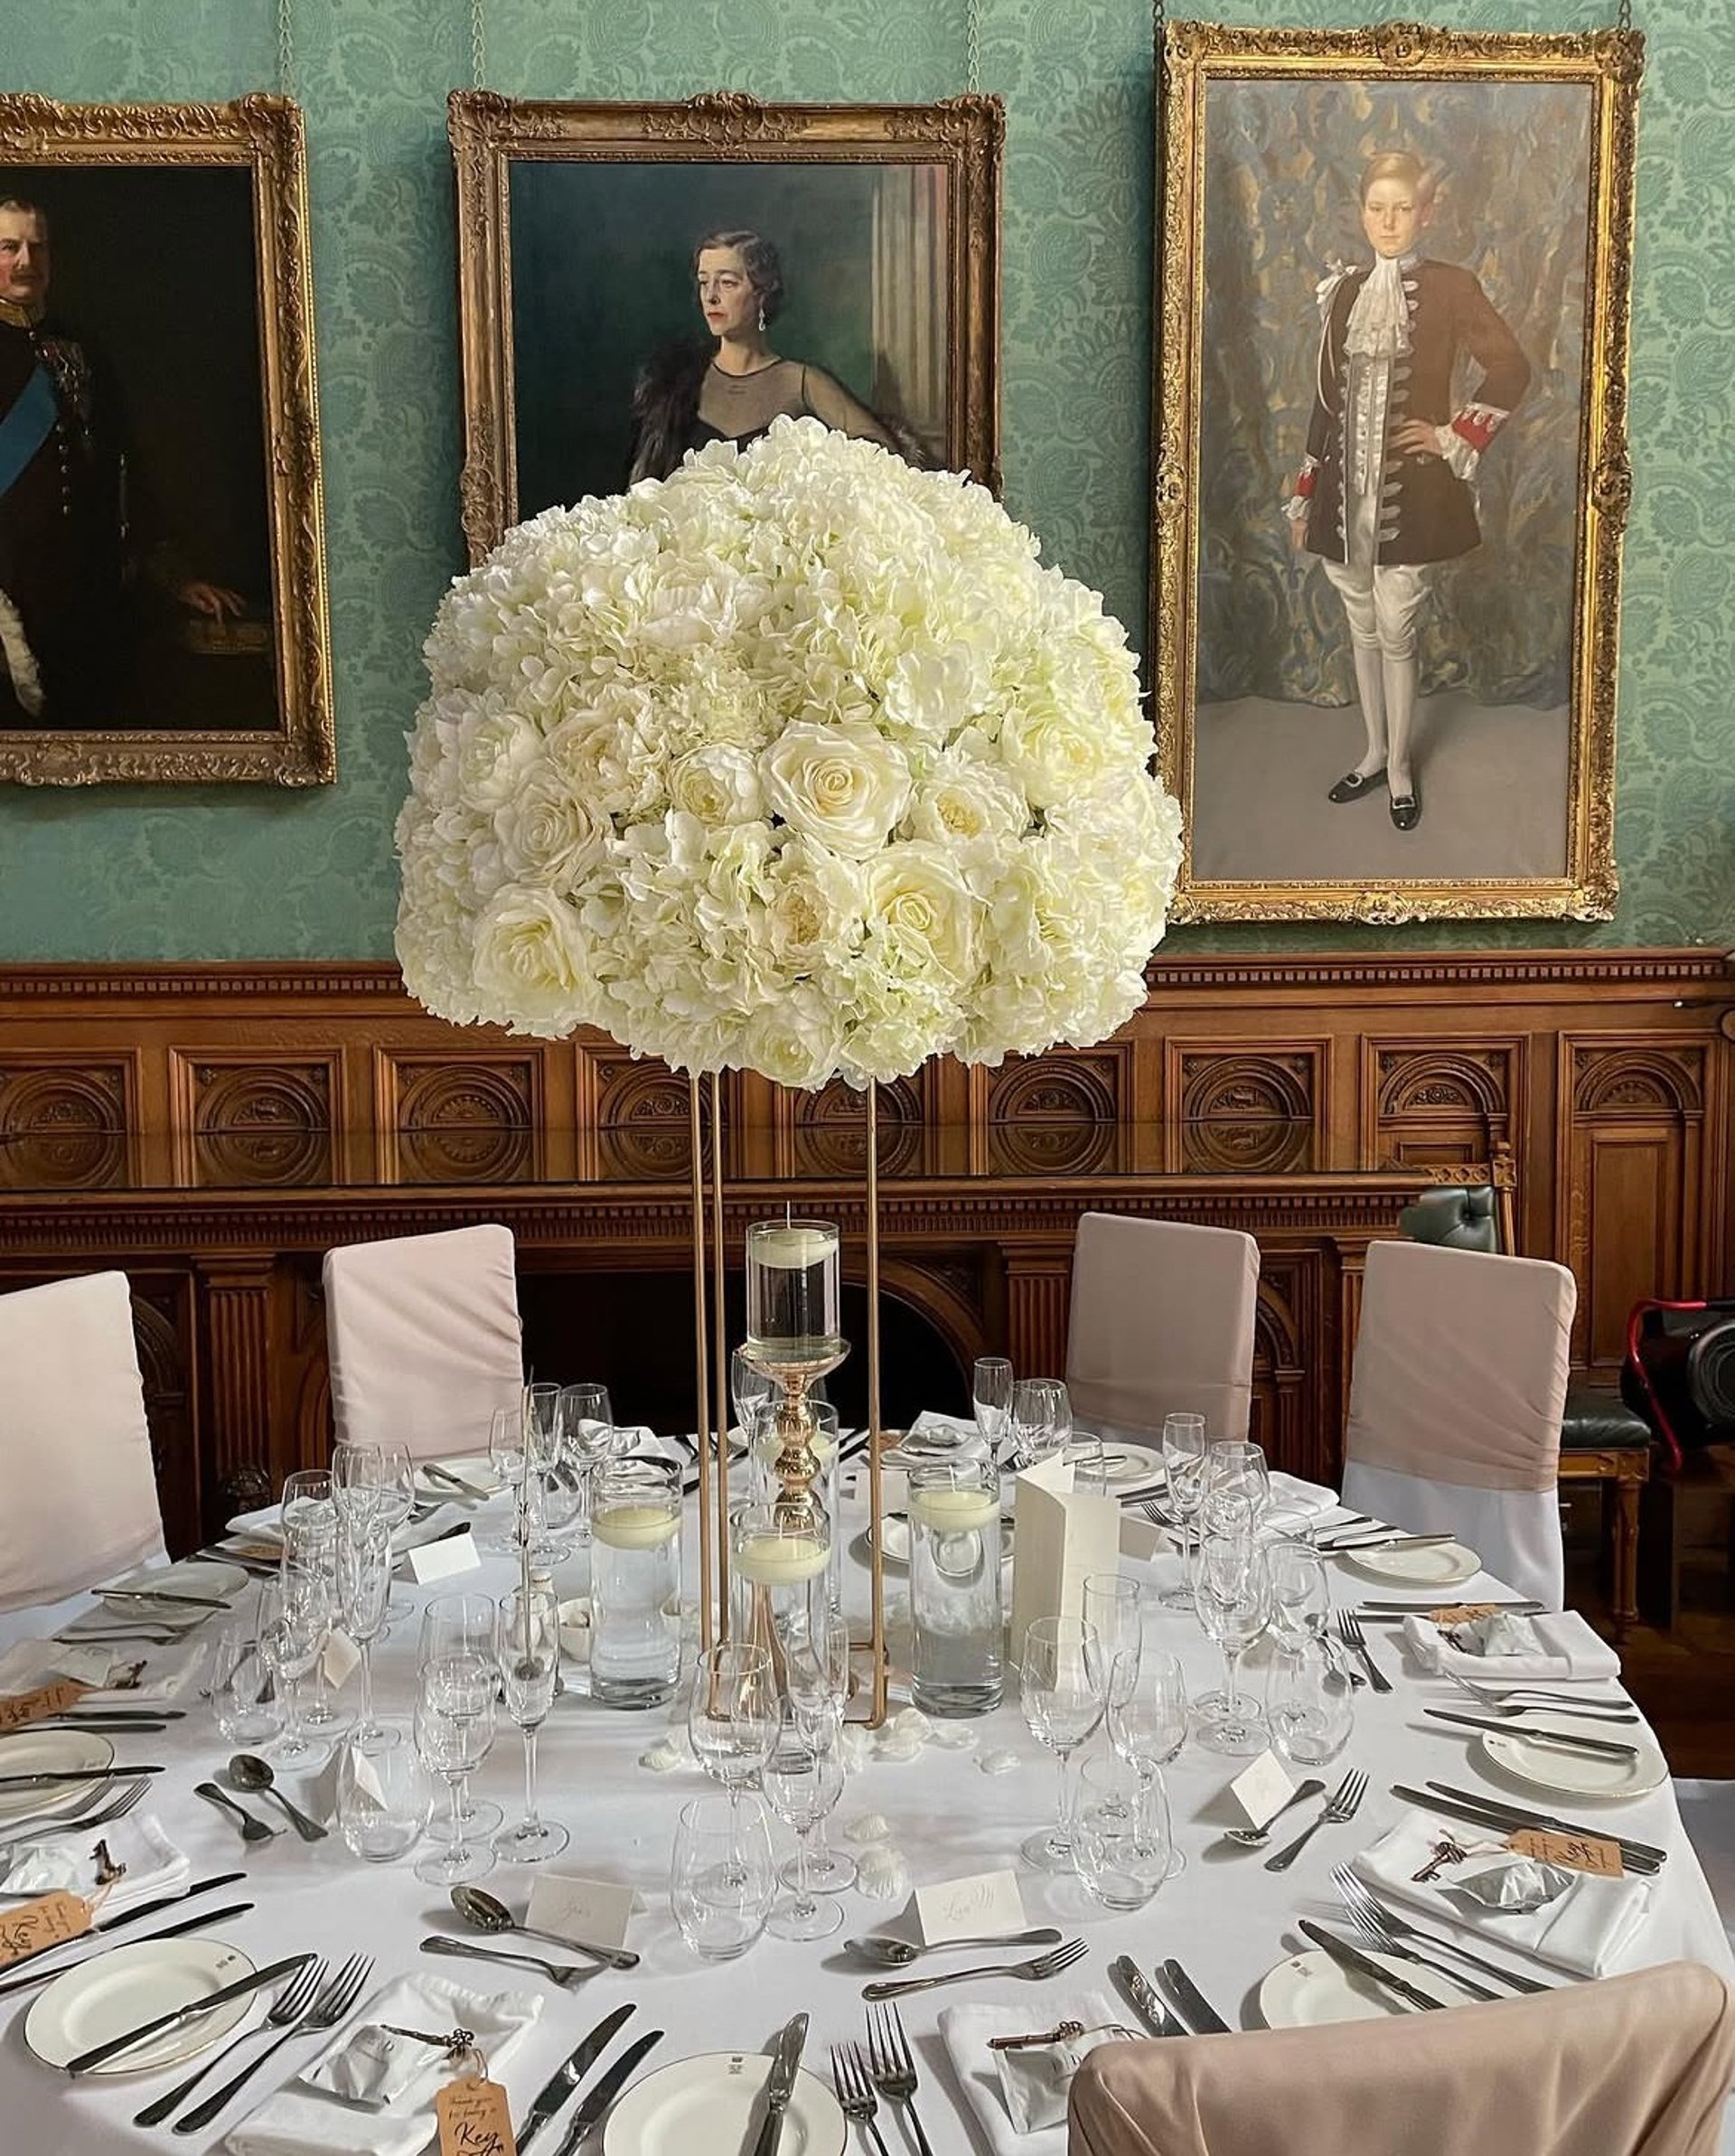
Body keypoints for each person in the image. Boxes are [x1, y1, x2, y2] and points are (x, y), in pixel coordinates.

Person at [1286, 153, 1531, 831]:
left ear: (1429, 212)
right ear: (1361, 210)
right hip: (1343, 493)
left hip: (1413, 498)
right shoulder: (1343, 291)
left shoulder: (1454, 287)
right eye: (1376, 207)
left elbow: (1512, 367)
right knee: (1361, 627)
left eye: (1402, 208)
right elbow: (1323, 403)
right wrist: (1306, 495)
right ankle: (1370, 751)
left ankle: (1399, 766)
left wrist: (1456, 432)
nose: (1387, 222)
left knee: (1398, 629)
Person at [0, 195, 243, 728]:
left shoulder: (81, 350)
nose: (25, 261)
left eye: (36, 247)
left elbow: (123, 473)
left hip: (86, 595)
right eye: (8, 247)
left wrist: (175, 578)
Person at [628, 227, 903, 484]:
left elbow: (885, 456)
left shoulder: (802, 382)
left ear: (762, 293)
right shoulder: (677, 384)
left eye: (727, 283)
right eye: (704, 282)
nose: (711, 296)